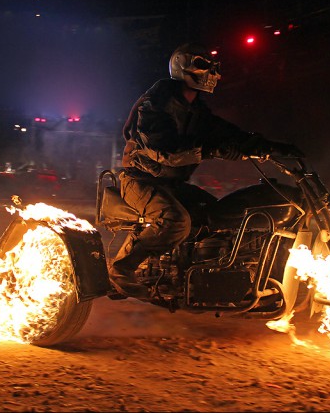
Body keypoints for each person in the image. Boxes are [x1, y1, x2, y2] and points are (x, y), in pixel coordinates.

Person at [109, 43, 303, 298]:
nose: (211, 72)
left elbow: (231, 135)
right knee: (176, 221)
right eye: (202, 65)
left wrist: (276, 148)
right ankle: (122, 270)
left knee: (217, 216)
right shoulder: (154, 105)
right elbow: (164, 151)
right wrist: (214, 151)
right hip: (142, 181)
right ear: (181, 67)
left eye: (214, 67)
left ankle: (198, 273)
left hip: (173, 185)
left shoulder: (197, 112)